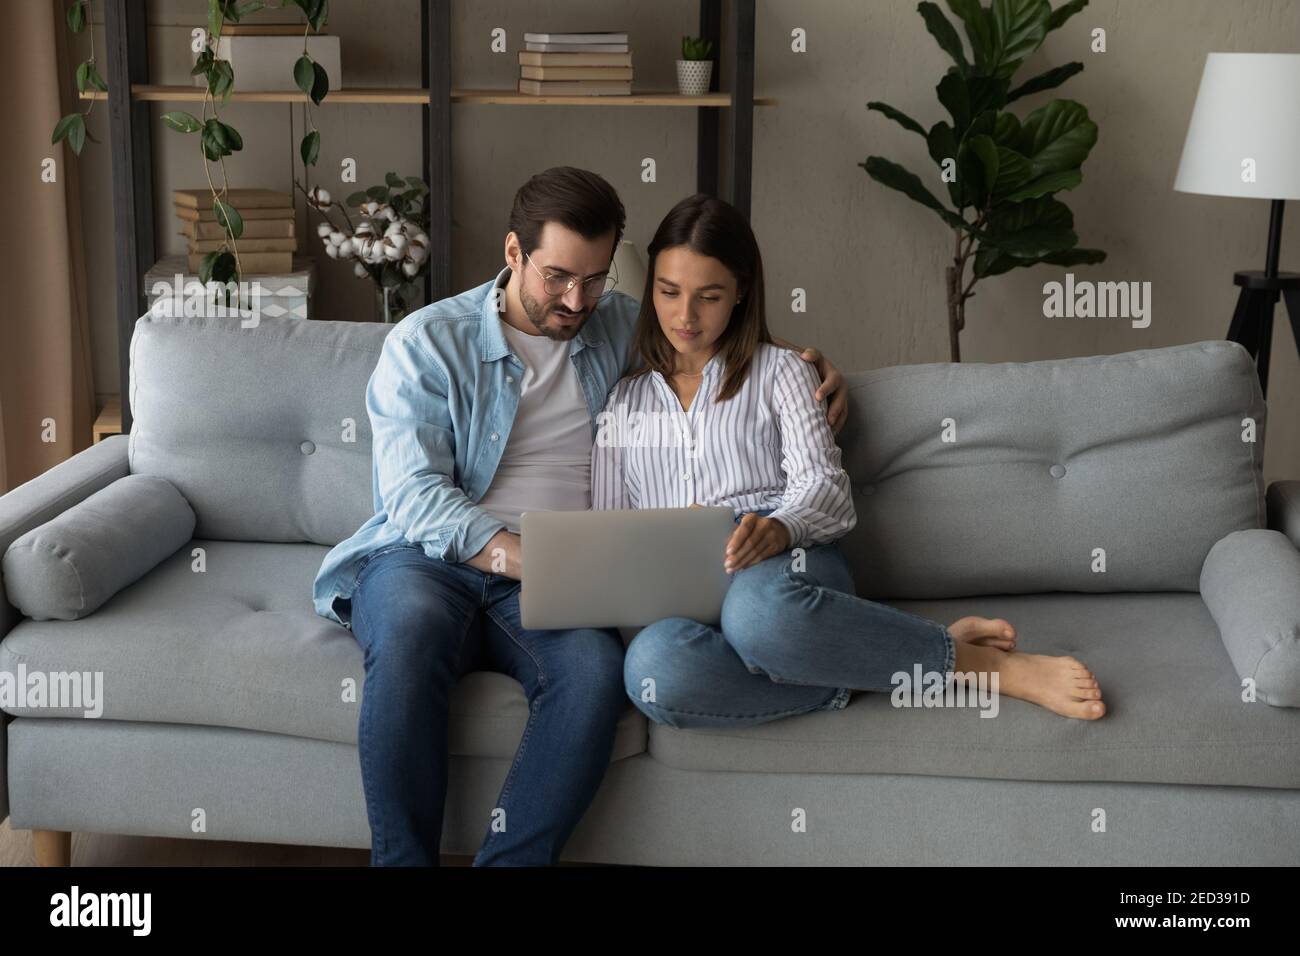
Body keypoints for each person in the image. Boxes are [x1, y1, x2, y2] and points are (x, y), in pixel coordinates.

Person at [311, 167, 852, 866]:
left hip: (565, 572)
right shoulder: (425, 343)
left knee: (595, 672)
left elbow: (720, 336)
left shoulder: (619, 323)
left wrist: (821, 372)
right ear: (513, 253)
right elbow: (414, 496)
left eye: (595, 279)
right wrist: (514, 552)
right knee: (410, 631)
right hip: (430, 559)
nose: (576, 300)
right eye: (558, 277)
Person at [592, 193, 1108, 728]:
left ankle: (971, 664)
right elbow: (608, 531)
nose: (685, 316)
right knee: (654, 668)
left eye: (709, 296)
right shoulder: (623, 401)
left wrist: (779, 527)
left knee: (758, 615)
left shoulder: (781, 372)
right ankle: (874, 665)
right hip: (683, 602)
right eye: (668, 292)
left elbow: (826, 488)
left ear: (742, 291)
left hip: (783, 573)